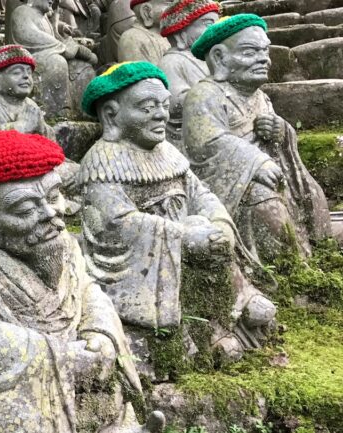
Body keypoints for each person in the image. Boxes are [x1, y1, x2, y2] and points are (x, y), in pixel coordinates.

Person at [0, 130, 157, 433]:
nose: (50, 213)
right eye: (25, 209)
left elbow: (86, 290)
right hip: (18, 397)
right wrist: (65, 357)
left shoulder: (57, 239)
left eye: (54, 196)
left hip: (83, 371)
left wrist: (99, 331)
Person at [80, 61, 278, 362]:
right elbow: (115, 224)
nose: (162, 114)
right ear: (111, 115)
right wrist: (182, 236)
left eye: (164, 105)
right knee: (196, 231)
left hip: (185, 241)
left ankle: (234, 307)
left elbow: (201, 194)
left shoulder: (168, 152)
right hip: (138, 265)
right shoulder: (102, 162)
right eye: (147, 107)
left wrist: (219, 222)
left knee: (205, 224)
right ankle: (210, 332)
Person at [183, 14, 331, 262]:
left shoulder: (261, 97)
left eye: (265, 51)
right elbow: (205, 144)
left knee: (311, 193)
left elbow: (278, 139)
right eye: (250, 51)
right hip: (230, 183)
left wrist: (281, 130)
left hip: (271, 172)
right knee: (267, 207)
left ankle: (315, 252)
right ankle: (282, 268)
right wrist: (256, 162)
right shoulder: (205, 94)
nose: (264, 58)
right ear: (219, 57)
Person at [156, 0, 220, 146]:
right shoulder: (172, 62)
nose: (215, 29)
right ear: (181, 32)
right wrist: (211, 95)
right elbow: (174, 103)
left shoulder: (207, 59)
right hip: (189, 130)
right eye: (208, 24)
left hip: (217, 119)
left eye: (217, 23)